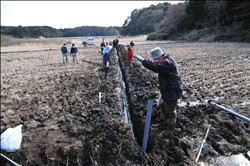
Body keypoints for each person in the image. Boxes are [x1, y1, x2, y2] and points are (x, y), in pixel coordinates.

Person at [135, 47, 182, 137]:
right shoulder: (166, 60)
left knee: (171, 111)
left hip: (172, 91)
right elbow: (155, 64)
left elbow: (154, 66)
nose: (156, 61)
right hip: (167, 90)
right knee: (164, 108)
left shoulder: (167, 63)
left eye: (156, 59)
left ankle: (170, 128)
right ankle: (162, 124)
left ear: (160, 56)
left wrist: (142, 60)